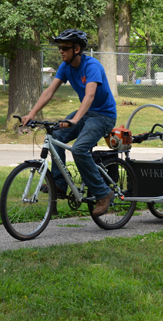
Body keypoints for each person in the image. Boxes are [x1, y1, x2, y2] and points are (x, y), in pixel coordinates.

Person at [22, 29, 117, 217]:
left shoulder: (92, 66)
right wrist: (31, 114)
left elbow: (89, 96)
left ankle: (103, 193)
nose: (61, 51)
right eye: (60, 48)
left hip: (103, 115)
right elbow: (49, 92)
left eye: (65, 48)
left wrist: (74, 119)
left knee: (79, 149)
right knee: (56, 134)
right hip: (86, 113)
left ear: (77, 49)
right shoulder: (65, 67)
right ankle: (59, 184)